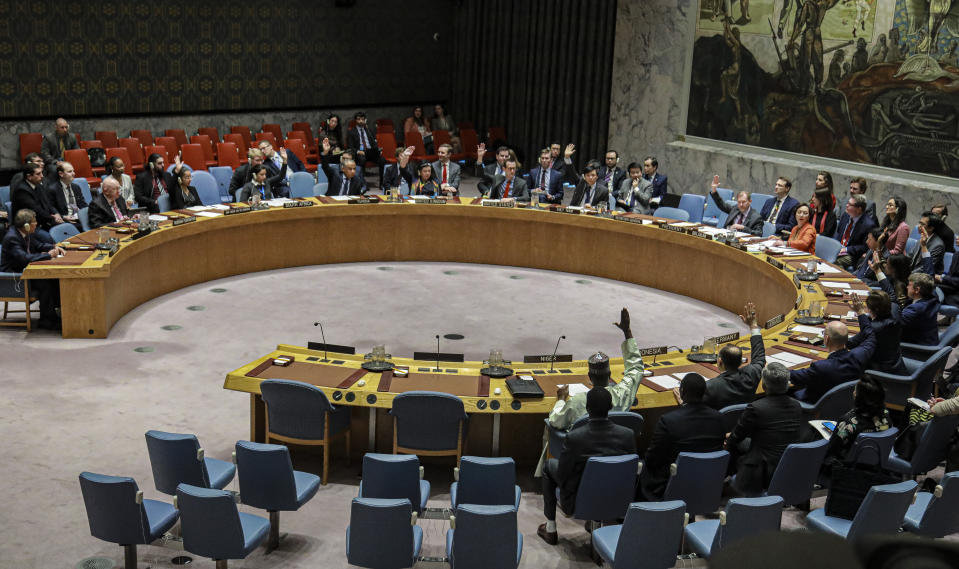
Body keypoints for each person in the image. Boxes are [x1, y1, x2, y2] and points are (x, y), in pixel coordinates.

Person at [538, 388, 637, 545]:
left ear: (587, 408)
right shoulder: (627, 435)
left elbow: (563, 474)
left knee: (549, 466)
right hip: (616, 496)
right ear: (611, 407)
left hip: (580, 497)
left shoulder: (576, 437)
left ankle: (550, 528)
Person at [548, 308, 645, 430]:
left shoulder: (578, 402)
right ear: (610, 375)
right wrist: (627, 331)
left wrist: (561, 399)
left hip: (583, 448)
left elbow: (555, 420)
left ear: (590, 377)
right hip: (616, 447)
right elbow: (636, 368)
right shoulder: (621, 395)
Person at [640, 373, 726, 500]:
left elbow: (652, 458)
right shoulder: (719, 418)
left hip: (671, 484)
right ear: (704, 392)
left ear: (681, 392)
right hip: (706, 482)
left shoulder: (668, 421)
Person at [725, 363, 803, 496]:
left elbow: (737, 436)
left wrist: (728, 439)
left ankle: (734, 485)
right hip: (787, 463)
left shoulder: (756, 408)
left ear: (764, 385)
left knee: (731, 443)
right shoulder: (797, 405)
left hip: (762, 468)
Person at [0, 209, 65, 330]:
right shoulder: (12, 238)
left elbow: (39, 246)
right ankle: (46, 320)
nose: (36, 224)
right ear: (26, 225)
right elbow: (24, 258)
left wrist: (55, 247)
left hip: (25, 272)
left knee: (55, 279)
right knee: (45, 282)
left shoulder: (26, 233)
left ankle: (53, 315)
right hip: (13, 278)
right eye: (34, 221)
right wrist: (49, 255)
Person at [789, 320, 876, 403]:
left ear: (826, 339)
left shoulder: (820, 367)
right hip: (846, 404)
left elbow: (791, 375)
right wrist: (860, 312)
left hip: (816, 407)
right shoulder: (859, 356)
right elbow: (871, 336)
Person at [703, 302, 766, 409]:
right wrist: (753, 325)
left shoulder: (711, 386)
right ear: (741, 361)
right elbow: (759, 357)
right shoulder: (751, 375)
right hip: (746, 422)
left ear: (720, 362)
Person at [823, 377, 891, 462]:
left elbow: (832, 451)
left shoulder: (847, 423)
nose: (853, 393)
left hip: (846, 468)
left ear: (859, 398)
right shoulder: (886, 415)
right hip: (877, 465)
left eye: (855, 391)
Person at [848, 292, 906, 374]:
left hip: (879, 369)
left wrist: (860, 312)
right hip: (895, 360)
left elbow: (850, 343)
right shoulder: (895, 309)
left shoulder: (873, 329)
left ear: (873, 310)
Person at [11, 163, 60, 244]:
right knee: (47, 238)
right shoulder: (22, 190)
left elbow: (47, 203)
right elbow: (35, 210)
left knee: (66, 227)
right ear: (29, 176)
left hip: (42, 221)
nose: (42, 176)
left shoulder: (37, 185)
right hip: (27, 226)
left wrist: (56, 214)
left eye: (42, 173)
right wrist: (53, 218)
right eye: (38, 174)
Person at [833, 194, 876, 268]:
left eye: (850, 204)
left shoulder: (868, 225)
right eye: (847, 203)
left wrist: (846, 249)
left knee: (834, 261)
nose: (846, 205)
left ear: (859, 209)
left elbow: (865, 247)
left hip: (853, 255)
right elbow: (838, 233)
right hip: (839, 249)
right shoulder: (845, 215)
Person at [899, 272, 940, 345]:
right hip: (929, 339)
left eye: (909, 285)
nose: (907, 287)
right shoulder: (933, 297)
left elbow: (895, 323)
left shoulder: (916, 309)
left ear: (917, 290)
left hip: (920, 348)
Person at [45, 162, 87, 229]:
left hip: (79, 217)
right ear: (61, 174)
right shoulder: (53, 189)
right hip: (66, 220)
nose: (73, 174)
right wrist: (63, 217)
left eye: (73, 171)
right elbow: (51, 208)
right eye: (70, 171)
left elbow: (83, 204)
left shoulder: (76, 187)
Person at [347, 112, 384, 179]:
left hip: (370, 152)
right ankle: (362, 183)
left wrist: (378, 150)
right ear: (355, 120)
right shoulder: (351, 132)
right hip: (360, 153)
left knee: (382, 160)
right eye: (358, 119)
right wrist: (358, 151)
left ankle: (382, 183)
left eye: (362, 119)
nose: (361, 121)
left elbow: (374, 143)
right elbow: (350, 147)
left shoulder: (369, 130)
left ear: (365, 120)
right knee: (362, 160)